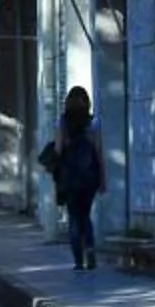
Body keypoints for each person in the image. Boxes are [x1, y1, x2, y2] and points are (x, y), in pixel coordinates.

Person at [40, 86, 106, 272]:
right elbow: (99, 153)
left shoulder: (62, 123)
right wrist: (103, 179)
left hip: (70, 177)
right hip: (90, 177)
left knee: (74, 217)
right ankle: (90, 249)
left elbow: (59, 149)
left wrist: (51, 163)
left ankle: (78, 260)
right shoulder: (94, 123)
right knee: (85, 215)